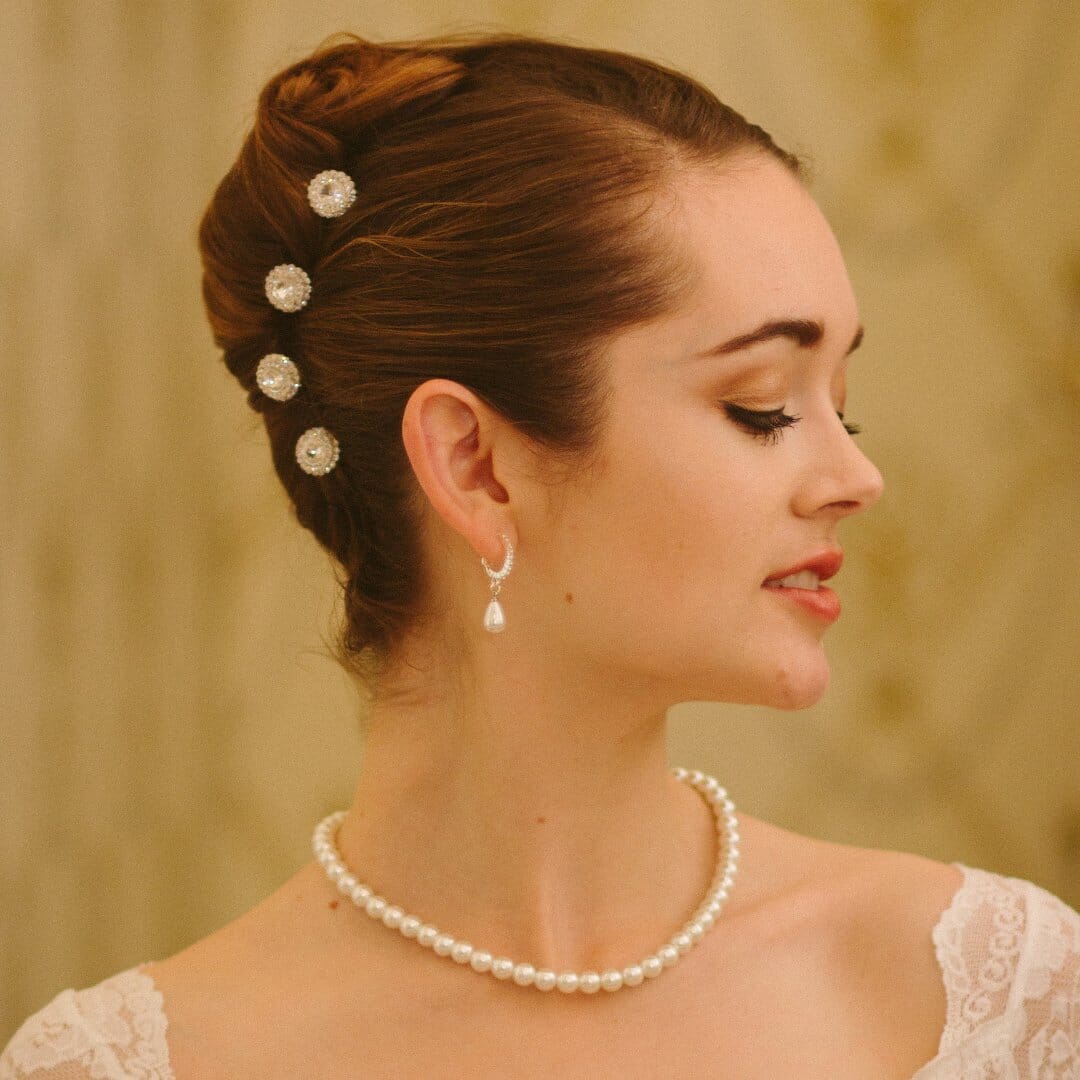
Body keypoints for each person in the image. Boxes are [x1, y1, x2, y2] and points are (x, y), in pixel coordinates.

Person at [3, 31, 1078, 1080]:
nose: (857, 479)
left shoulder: (996, 995)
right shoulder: (132, 1063)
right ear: (474, 465)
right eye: (761, 408)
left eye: (843, 406)